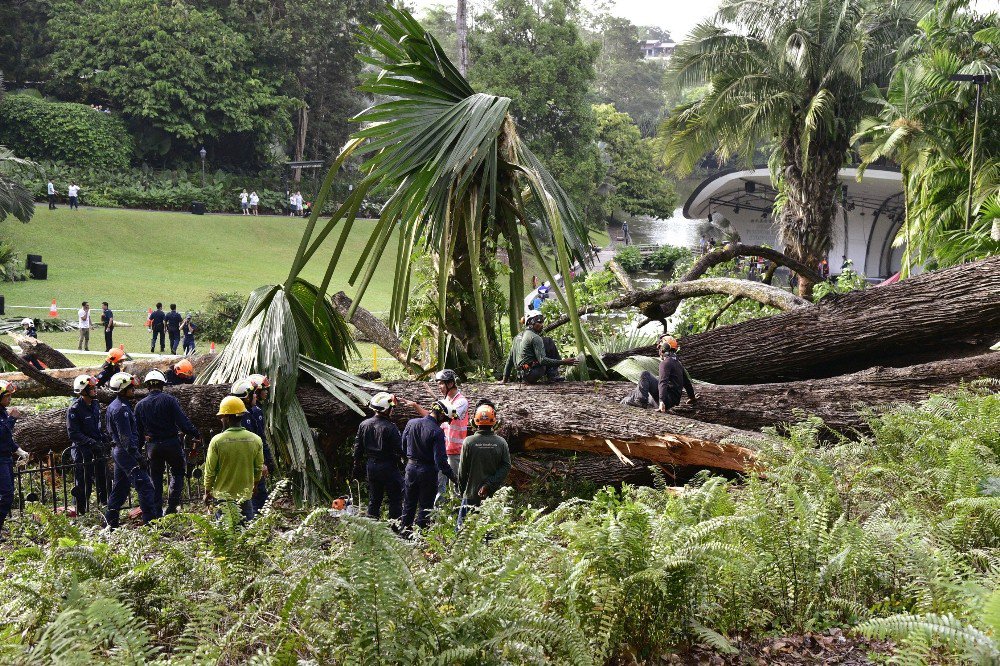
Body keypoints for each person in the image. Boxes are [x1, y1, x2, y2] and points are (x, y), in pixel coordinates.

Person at [135, 370, 201, 516]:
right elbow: (182, 421)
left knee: (155, 478)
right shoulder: (169, 400)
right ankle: (172, 506)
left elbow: (138, 432)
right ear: (162, 385)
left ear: (147, 386)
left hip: (153, 447)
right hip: (171, 443)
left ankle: (157, 511)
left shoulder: (140, 405)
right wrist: (195, 433)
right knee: (178, 473)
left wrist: (138, 452)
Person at [104, 372, 159, 527]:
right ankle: (151, 524)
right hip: (126, 452)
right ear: (122, 390)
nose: (133, 390)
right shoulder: (122, 409)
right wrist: (137, 456)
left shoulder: (115, 406)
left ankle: (111, 523)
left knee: (120, 488)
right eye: (130, 388)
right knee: (145, 486)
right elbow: (125, 437)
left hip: (120, 452)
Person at [400, 399, 457, 534]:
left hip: (411, 468)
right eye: (445, 419)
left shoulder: (411, 423)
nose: (445, 422)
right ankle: (420, 538)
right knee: (425, 508)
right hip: (428, 472)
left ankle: (403, 534)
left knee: (408, 504)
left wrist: (407, 460)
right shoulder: (437, 432)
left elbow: (403, 445)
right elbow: (440, 461)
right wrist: (453, 477)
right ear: (441, 415)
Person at [203, 396, 264, 522]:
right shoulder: (255, 440)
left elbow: (210, 471)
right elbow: (258, 468)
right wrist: (255, 485)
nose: (220, 419)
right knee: (246, 534)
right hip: (245, 495)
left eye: (221, 417)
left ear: (226, 417)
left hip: (222, 497)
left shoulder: (217, 441)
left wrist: (207, 492)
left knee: (224, 535)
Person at [352, 392, 405, 522]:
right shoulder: (390, 428)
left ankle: (372, 529)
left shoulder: (363, 425)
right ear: (386, 409)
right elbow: (401, 449)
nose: (392, 410)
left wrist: (356, 465)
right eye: (391, 408)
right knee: (395, 499)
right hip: (388, 467)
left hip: (371, 466)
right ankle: (395, 528)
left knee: (374, 499)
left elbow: (358, 448)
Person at [457, 403, 511, 528]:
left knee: (463, 534)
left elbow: (461, 472)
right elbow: (506, 466)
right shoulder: (501, 442)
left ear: (474, 422)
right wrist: (489, 485)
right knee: (490, 533)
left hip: (470, 495)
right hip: (492, 495)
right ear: (494, 422)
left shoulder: (469, 442)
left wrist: (463, 492)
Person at [233, 375, 276, 515]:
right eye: (263, 390)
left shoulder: (254, 411)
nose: (265, 393)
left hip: (248, 460)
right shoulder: (250, 414)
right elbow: (259, 440)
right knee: (258, 492)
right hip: (249, 461)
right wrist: (264, 461)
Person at [66, 374, 110, 515]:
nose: (95, 390)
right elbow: (73, 433)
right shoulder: (74, 409)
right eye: (91, 388)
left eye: (94, 387)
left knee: (103, 477)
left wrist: (103, 438)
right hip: (82, 450)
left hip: (97, 448)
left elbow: (97, 427)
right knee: (84, 481)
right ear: (83, 390)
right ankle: (80, 510)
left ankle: (105, 505)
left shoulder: (95, 404)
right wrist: (90, 442)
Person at [621, 335, 698, 412]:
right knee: (630, 396)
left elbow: (663, 382)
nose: (659, 350)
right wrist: (692, 397)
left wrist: (661, 401)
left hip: (665, 400)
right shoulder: (678, 364)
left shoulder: (665, 363)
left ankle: (640, 402)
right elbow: (687, 383)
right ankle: (630, 400)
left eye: (660, 348)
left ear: (664, 348)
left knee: (645, 375)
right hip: (670, 401)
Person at [501, 310, 577, 384]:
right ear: (531, 323)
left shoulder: (516, 337)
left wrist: (504, 380)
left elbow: (509, 360)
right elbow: (542, 360)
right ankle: (553, 375)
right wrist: (564, 362)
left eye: (542, 322)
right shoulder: (535, 337)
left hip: (521, 375)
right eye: (539, 322)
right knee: (548, 341)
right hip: (532, 374)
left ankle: (552, 374)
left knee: (545, 341)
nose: (542, 325)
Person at [0, 381, 29, 539]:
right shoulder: (6, 414)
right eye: (7, 396)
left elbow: (6, 439)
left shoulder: (3, 411)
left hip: (5, 456)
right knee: (6, 494)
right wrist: (12, 419)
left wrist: (18, 450)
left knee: (7, 494)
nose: (10, 399)